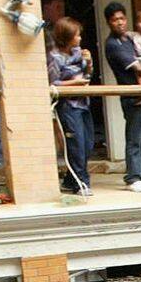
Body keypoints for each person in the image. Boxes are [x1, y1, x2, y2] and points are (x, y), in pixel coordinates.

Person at [103, 3, 141, 191]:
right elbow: (140, 67)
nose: (119, 23)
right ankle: (133, 177)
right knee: (134, 139)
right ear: (109, 22)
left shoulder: (132, 38)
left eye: (122, 18)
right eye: (115, 20)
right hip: (131, 96)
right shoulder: (113, 44)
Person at [46, 17, 94, 196]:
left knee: (88, 144)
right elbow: (52, 83)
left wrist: (89, 63)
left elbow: (88, 75)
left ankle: (69, 180)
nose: (80, 38)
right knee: (76, 145)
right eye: (77, 35)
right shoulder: (54, 57)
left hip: (83, 103)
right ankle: (81, 184)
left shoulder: (78, 52)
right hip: (68, 105)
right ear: (66, 36)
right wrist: (73, 85)